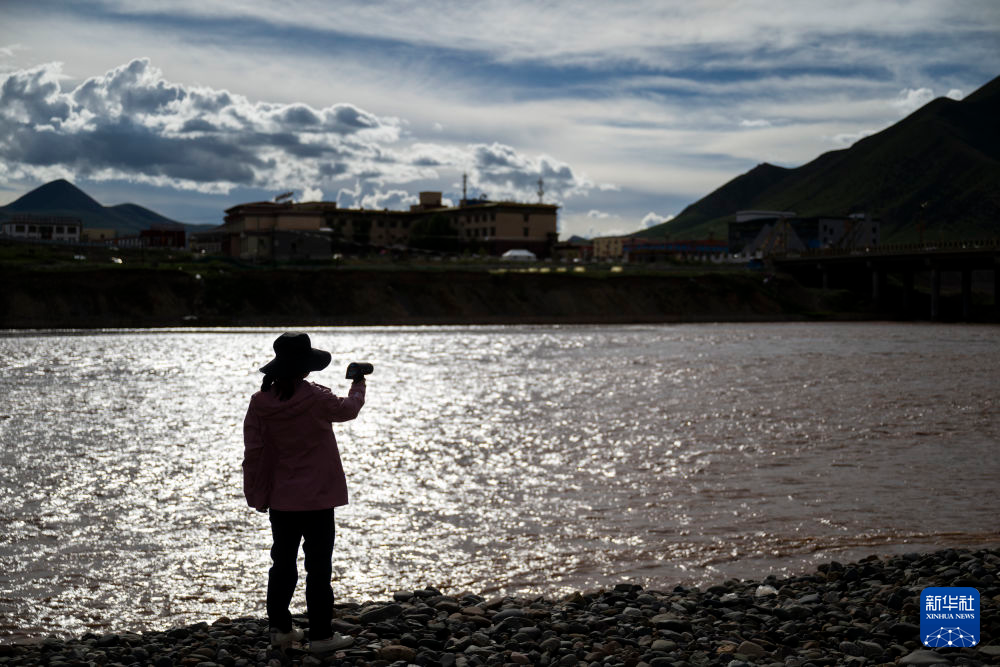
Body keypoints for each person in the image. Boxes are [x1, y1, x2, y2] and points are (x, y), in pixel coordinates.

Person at [242, 332, 366, 655]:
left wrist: (255, 493)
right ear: (305, 368)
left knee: (282, 565)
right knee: (318, 567)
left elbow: (253, 452)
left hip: (281, 500)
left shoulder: (260, 402)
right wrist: (358, 383)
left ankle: (280, 629)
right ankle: (321, 635)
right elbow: (350, 409)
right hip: (318, 499)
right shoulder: (316, 397)